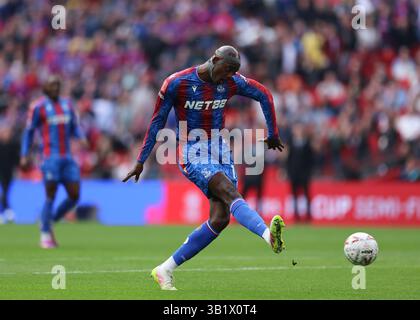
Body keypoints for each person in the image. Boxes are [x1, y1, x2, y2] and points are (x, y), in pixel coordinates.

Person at [123, 46, 286, 290]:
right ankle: (268, 236)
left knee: (220, 219)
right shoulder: (177, 83)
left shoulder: (232, 82)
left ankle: (164, 269)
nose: (228, 75)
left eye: (233, 71)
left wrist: (273, 133)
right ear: (215, 59)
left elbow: (264, 95)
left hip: (220, 147)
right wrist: (141, 159)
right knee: (231, 194)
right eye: (227, 69)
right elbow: (157, 121)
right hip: (191, 149)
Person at [20, 75, 87, 248]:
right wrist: (24, 154)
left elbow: (74, 128)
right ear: (45, 88)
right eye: (52, 85)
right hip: (50, 158)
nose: (55, 88)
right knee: (51, 194)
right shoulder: (38, 107)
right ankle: (45, 234)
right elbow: (29, 132)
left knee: (75, 195)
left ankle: (49, 220)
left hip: (67, 158)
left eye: (57, 85)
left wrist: (81, 137)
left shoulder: (67, 104)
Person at [286, 122, 315, 223]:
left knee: (306, 194)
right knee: (294, 195)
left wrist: (308, 172)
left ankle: (308, 215)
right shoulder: (291, 142)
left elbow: (310, 159)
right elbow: (288, 159)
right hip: (294, 174)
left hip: (304, 174)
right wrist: (288, 172)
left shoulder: (306, 143)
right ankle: (296, 215)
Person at [0, 104, 20, 224]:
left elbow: (16, 160)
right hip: (0, 171)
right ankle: (6, 212)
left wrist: (18, 168)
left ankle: (6, 212)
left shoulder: (13, 145)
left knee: (6, 191)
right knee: (3, 191)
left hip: (8, 171)